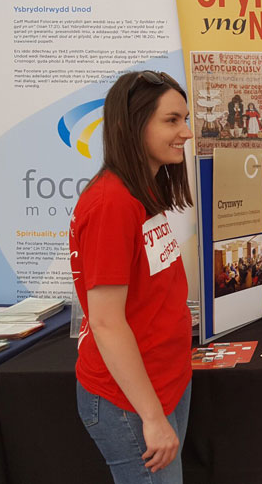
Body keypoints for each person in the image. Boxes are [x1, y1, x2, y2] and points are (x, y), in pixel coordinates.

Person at [69, 70, 194, 484]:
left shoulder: (142, 191)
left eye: (185, 119)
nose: (187, 133)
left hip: (163, 380)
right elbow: (105, 321)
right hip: (130, 400)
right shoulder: (112, 203)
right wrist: (153, 417)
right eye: (172, 120)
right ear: (135, 124)